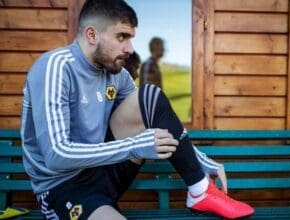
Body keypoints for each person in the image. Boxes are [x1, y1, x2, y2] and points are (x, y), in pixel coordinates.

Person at [20, 0, 254, 219]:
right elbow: (55, 156)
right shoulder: (55, 67)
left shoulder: (117, 74)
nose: (130, 48)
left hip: (104, 171)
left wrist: (199, 161)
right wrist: (135, 145)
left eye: (131, 38)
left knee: (150, 96)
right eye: (122, 36)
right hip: (64, 187)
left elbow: (154, 114)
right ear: (92, 34)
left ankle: (199, 189)